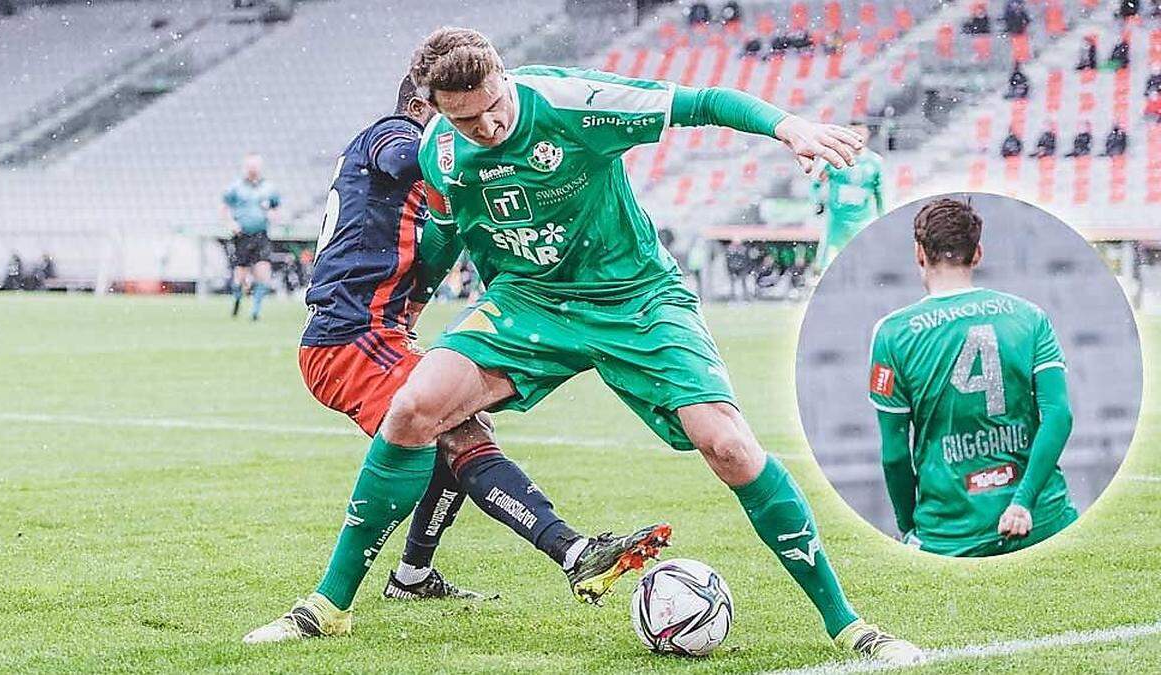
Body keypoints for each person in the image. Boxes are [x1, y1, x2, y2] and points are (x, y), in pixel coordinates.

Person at [398, 27, 923, 664]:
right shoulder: (441, 151)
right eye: (464, 119)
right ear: (437, 109)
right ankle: (336, 602)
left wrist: (786, 126)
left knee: (727, 444)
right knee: (419, 408)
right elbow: (448, 234)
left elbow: (699, 102)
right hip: (532, 303)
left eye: (490, 108)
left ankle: (848, 625)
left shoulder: (569, 101)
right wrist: (410, 305)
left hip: (636, 297)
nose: (482, 127)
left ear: (505, 77)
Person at [244, 77, 670, 644]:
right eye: (453, 116)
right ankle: (570, 550)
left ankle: (414, 575)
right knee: (456, 431)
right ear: (423, 107)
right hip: (348, 338)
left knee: (454, 425)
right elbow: (412, 158)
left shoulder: (413, 155)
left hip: (374, 332)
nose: (469, 132)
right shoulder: (391, 134)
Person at [869, 198, 1078, 557]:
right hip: (1044, 522)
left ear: (920, 253)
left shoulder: (892, 333)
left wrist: (907, 526)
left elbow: (894, 454)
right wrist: (1021, 502)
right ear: (977, 253)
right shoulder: (1029, 316)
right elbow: (1058, 415)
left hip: (950, 532)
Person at [811, 121, 884, 270]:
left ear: (867, 135)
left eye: (860, 134)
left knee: (864, 261)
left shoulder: (875, 162)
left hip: (862, 220)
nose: (857, 138)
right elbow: (816, 183)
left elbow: (880, 192)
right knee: (828, 263)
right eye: (853, 134)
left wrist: (882, 216)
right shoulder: (832, 159)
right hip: (837, 220)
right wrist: (818, 202)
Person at [222, 154, 281, 320]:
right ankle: (237, 299)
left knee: (263, 272)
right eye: (250, 165)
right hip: (242, 236)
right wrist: (230, 223)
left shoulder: (269, 188)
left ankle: (255, 311)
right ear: (245, 166)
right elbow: (224, 208)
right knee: (240, 275)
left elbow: (276, 209)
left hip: (261, 235)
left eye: (255, 165)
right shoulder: (236, 187)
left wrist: (273, 215)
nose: (253, 168)